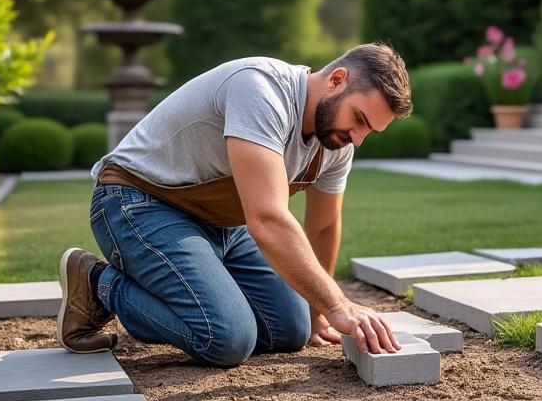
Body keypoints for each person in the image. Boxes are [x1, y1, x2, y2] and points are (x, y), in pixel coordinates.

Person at [57, 42, 410, 367]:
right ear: (336, 80)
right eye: (359, 119)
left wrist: (319, 311)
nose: (357, 139)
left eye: (369, 131)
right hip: (137, 202)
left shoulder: (335, 143)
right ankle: (98, 284)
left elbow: (324, 226)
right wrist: (338, 304)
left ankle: (195, 293)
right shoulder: (260, 89)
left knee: (291, 329)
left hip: (220, 223)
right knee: (227, 338)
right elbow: (267, 219)